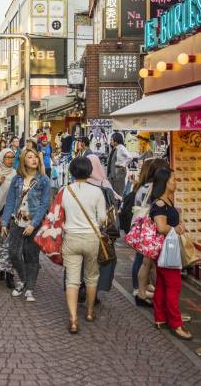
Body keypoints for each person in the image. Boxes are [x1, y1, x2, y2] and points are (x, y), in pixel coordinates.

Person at [60, 156, 108, 333]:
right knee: (91, 276)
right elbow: (102, 218)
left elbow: (60, 215)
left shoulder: (65, 190)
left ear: (72, 171)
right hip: (91, 237)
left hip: (71, 237)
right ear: (89, 171)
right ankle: (89, 311)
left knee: (72, 279)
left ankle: (72, 319)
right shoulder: (97, 192)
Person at [0, 149, 50, 302]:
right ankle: (23, 280)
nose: (34, 159)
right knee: (13, 253)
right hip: (17, 221)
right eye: (30, 157)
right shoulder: (17, 179)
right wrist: (4, 222)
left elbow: (44, 204)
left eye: (35, 157)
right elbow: (10, 201)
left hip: (34, 223)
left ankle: (29, 289)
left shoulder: (43, 180)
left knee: (31, 255)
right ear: (23, 161)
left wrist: (34, 224)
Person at [148, 166, 191, 340]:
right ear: (165, 182)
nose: (176, 182)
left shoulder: (167, 201)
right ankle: (176, 324)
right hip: (167, 250)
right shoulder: (160, 204)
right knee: (174, 286)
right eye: (173, 179)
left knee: (162, 285)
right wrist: (177, 228)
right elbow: (161, 227)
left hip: (166, 249)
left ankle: (160, 318)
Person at [85, 154, 120, 305]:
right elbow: (114, 208)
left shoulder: (80, 183)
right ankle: (94, 293)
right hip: (102, 232)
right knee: (100, 262)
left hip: (83, 230)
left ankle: (81, 286)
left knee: (83, 262)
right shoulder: (105, 185)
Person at [130, 158, 162, 306]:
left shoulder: (141, 187)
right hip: (149, 227)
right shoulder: (152, 189)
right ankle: (139, 288)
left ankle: (139, 287)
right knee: (143, 260)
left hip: (141, 226)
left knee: (141, 258)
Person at [0, 148, 18, 287]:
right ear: (2, 158)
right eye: (7, 157)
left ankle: (10, 274)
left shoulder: (17, 174)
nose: (10, 159)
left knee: (11, 244)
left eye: (12, 157)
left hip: (12, 213)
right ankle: (0, 269)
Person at [107, 132, 133, 197]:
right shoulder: (115, 148)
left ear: (116, 141)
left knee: (119, 191)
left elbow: (130, 157)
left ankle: (119, 205)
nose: (110, 141)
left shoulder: (121, 147)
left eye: (111, 140)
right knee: (114, 191)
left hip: (119, 171)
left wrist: (123, 164)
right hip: (114, 172)